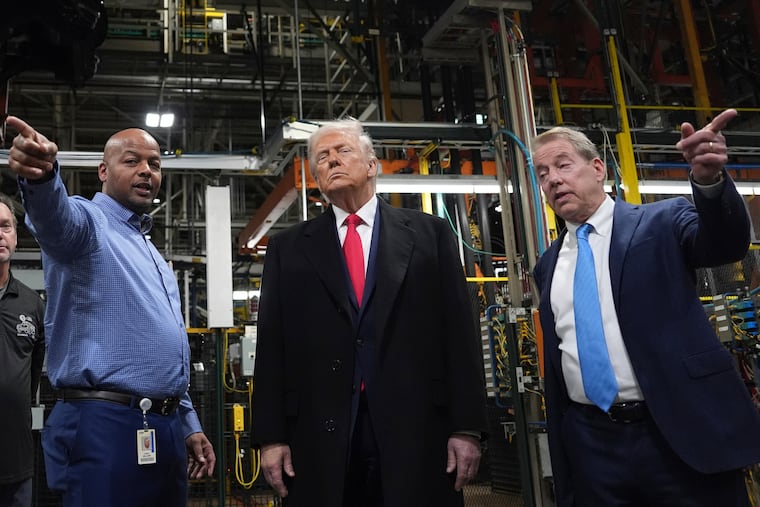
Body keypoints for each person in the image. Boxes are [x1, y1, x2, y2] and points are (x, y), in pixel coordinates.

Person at [252, 118, 489, 506]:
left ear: (372, 164)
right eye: (321, 158)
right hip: (319, 435)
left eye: (342, 151)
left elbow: (460, 337)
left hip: (417, 430)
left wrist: (467, 428)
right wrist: (271, 437)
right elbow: (272, 349)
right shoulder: (288, 249)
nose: (331, 162)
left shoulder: (431, 236)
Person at [532, 108, 760, 507]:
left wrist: (708, 183)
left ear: (598, 168)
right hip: (592, 444)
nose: (552, 178)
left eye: (563, 165)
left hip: (676, 431)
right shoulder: (548, 265)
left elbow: (725, 245)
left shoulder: (661, 222)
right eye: (542, 173)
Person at [5, 116, 216, 507]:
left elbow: (165, 352)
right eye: (132, 161)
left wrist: (187, 423)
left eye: (154, 164)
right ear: (104, 170)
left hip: (162, 427)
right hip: (103, 423)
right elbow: (56, 219)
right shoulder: (90, 224)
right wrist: (42, 177)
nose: (146, 171)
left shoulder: (150, 251)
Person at [0, 194, 45, 507]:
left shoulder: (32, 304)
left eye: (5, 227)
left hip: (16, 459)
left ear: (15, 237)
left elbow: (32, 374)